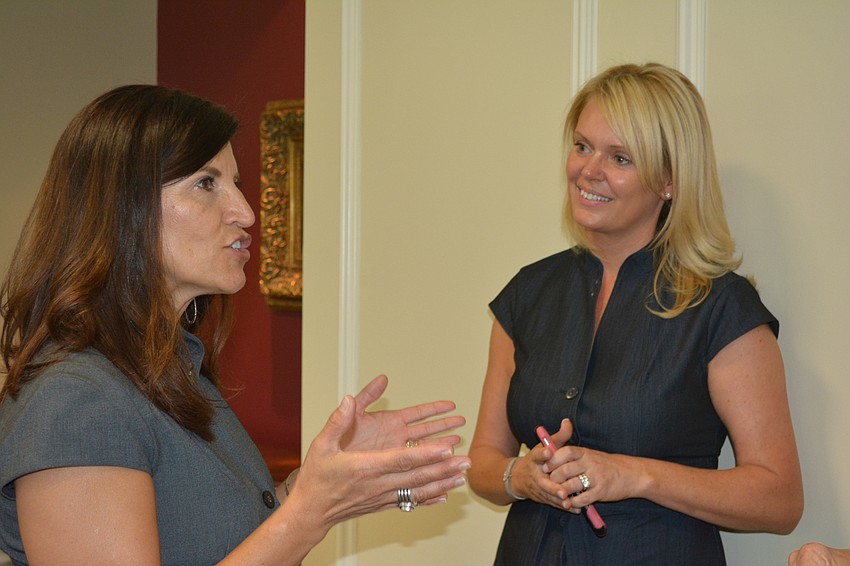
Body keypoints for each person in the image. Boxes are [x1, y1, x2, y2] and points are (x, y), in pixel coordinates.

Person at [0, 85, 471, 565]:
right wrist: (309, 513)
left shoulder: (173, 370)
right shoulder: (76, 401)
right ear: (123, 207)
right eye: (206, 183)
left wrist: (322, 484)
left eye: (236, 183)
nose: (245, 213)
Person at [468, 63, 803, 564]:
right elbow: (482, 464)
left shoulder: (722, 308)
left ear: (669, 180)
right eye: (582, 146)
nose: (588, 170)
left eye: (620, 157)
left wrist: (633, 475)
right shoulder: (527, 294)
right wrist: (519, 477)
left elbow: (779, 500)